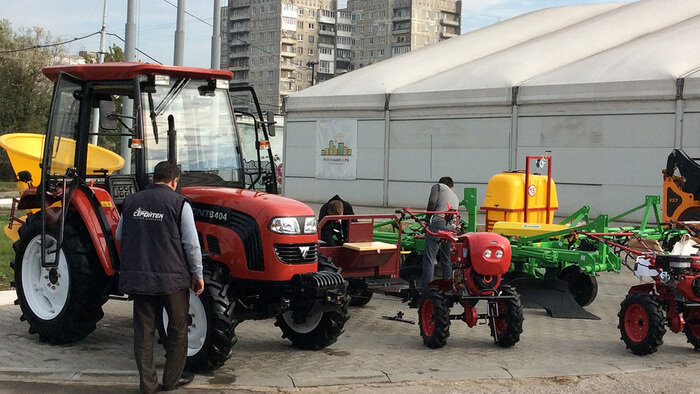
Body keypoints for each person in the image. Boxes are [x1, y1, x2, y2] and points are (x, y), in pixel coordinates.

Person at [115, 161, 204, 394]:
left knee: (144, 333)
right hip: (173, 281)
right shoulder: (180, 204)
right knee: (177, 330)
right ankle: (172, 381)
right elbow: (191, 244)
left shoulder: (132, 202)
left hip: (141, 279)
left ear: (154, 178)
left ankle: (148, 385)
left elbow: (119, 234)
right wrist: (198, 275)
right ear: (175, 181)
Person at [421, 176, 460, 288]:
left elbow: (432, 202)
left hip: (438, 225)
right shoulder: (455, 197)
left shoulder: (438, 187)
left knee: (429, 258)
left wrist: (427, 220)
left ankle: (426, 289)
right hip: (451, 229)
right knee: (446, 259)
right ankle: (448, 288)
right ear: (452, 187)